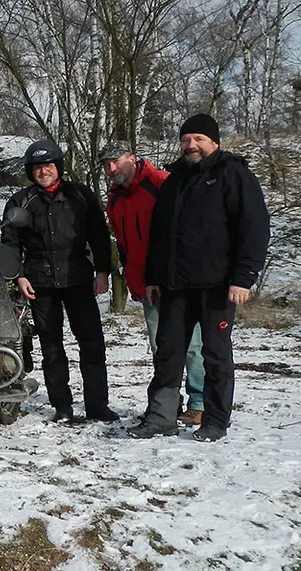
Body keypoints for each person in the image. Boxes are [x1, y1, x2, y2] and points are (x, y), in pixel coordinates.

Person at [129, 114, 270, 442]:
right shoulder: (174, 181)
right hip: (175, 286)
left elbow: (254, 227)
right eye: (185, 139)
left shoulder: (233, 174)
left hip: (216, 286)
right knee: (168, 354)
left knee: (215, 355)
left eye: (198, 139)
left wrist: (244, 277)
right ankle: (161, 416)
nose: (190, 145)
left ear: (214, 142)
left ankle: (215, 419)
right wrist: (153, 278)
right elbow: (159, 235)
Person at [0, 140, 118, 423]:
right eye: (38, 168)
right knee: (51, 347)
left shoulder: (80, 195)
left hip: (78, 278)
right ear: (30, 171)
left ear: (59, 167)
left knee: (92, 344)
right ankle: (62, 407)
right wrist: (18, 276)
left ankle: (97, 405)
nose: (44, 172)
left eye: (49, 166)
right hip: (39, 283)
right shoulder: (20, 201)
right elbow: (10, 243)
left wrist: (103, 271)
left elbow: (99, 235)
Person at [100, 141, 207, 426]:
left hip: (178, 281)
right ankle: (168, 404)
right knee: (161, 348)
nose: (112, 168)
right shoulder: (114, 199)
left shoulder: (161, 183)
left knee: (192, 345)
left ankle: (200, 403)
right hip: (147, 286)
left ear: (133, 158)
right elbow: (125, 245)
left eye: (116, 161)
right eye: (106, 164)